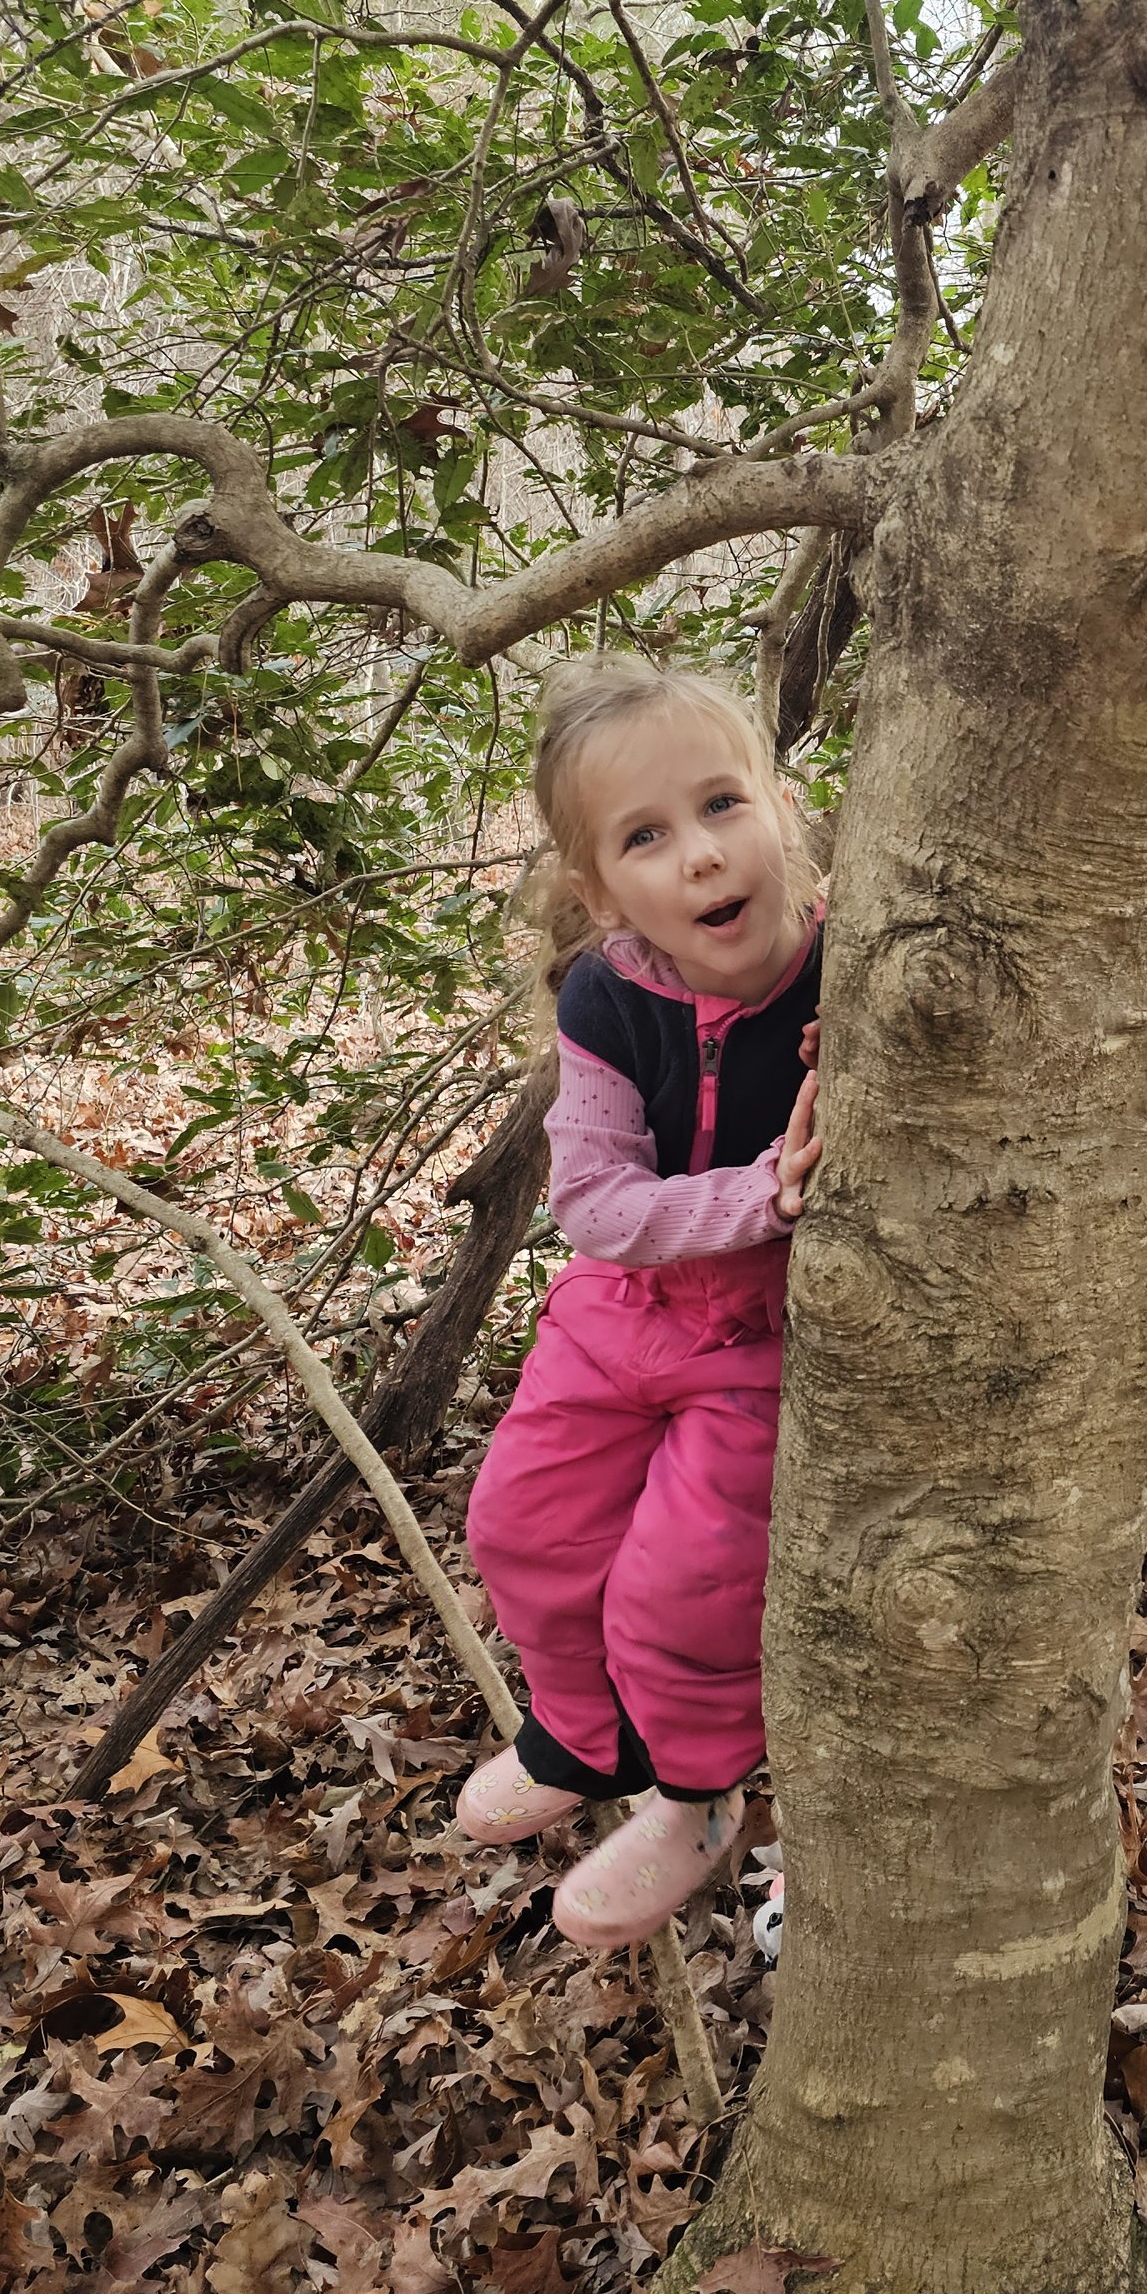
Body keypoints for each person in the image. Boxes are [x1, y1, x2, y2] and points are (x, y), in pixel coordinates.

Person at [454, 656, 823, 1953]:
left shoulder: (852, 970)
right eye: (646, 837)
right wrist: (761, 1195)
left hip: (760, 1336)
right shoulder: (606, 997)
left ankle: (696, 1795)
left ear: (784, 808)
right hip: (621, 1302)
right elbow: (597, 1201)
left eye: (724, 805)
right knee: (519, 1520)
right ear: (599, 889)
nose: (701, 858)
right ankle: (575, 1734)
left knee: (686, 1583)